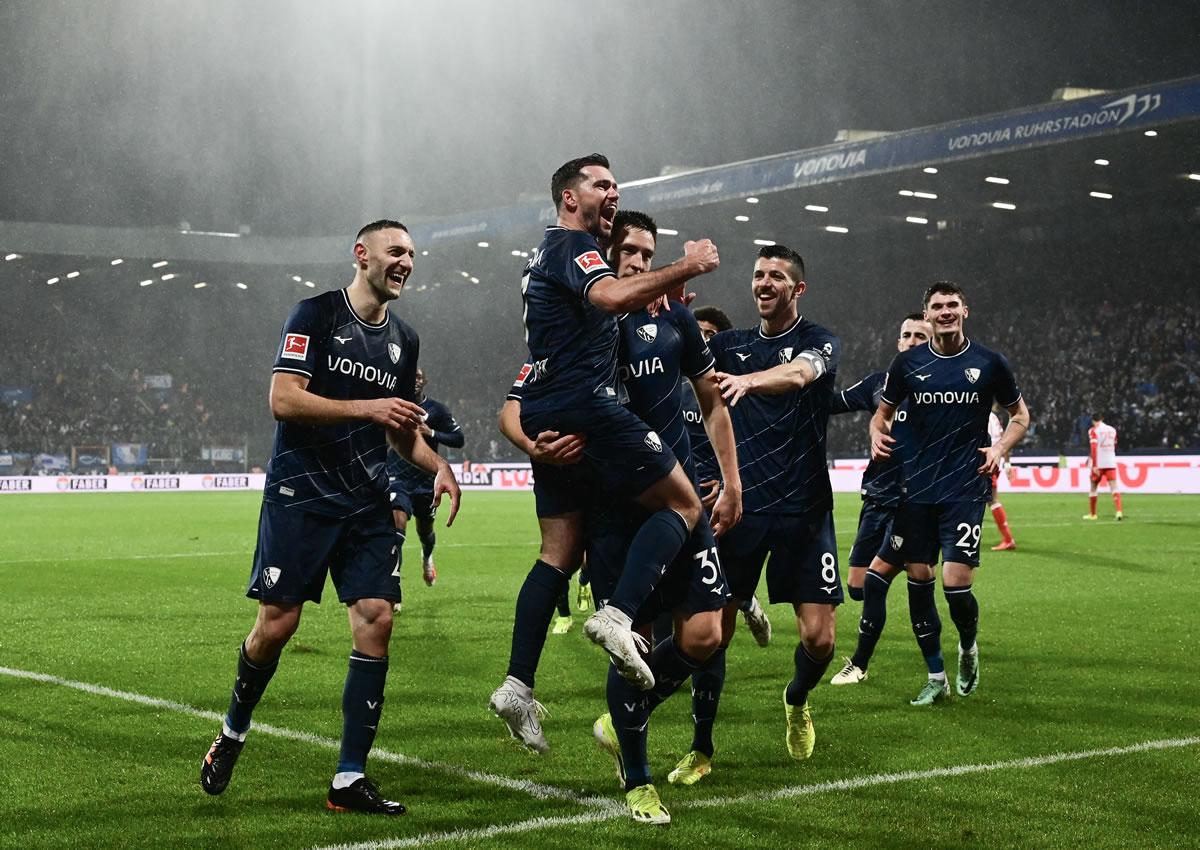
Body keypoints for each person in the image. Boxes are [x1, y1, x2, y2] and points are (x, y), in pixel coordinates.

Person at [198, 220, 462, 815]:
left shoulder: (405, 340)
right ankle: (234, 730)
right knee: (277, 627)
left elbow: (399, 431)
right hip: (302, 495)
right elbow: (283, 399)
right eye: (397, 252)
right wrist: (366, 406)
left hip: (368, 501)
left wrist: (436, 465)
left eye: (413, 255)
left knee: (376, 619)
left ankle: (348, 779)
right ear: (361, 254)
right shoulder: (314, 315)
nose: (407, 263)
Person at [492, 210, 741, 765]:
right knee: (600, 597)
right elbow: (514, 401)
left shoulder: (672, 318)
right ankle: (637, 776)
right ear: (603, 253)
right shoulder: (586, 316)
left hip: (661, 483)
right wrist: (532, 446)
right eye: (630, 251)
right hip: (614, 503)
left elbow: (712, 401)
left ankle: (539, 684)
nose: (639, 262)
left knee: (703, 635)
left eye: (649, 256)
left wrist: (731, 480)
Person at [706, 244, 842, 761]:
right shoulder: (732, 345)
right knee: (711, 636)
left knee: (820, 639)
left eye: (776, 277)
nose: (764, 283)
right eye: (759, 274)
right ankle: (702, 744)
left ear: (797, 289)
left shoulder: (819, 341)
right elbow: (689, 374)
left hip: (805, 511)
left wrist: (748, 382)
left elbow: (801, 374)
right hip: (742, 509)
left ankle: (797, 698)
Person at [869, 281, 1030, 705]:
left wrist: (999, 447)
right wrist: (875, 434)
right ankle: (935, 677)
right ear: (927, 315)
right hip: (916, 490)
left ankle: (968, 647)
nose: (945, 312)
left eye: (952, 305)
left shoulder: (989, 363)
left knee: (956, 584)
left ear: (965, 311)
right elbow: (881, 416)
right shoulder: (906, 365)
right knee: (919, 582)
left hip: (963, 486)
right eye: (937, 306)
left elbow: (1020, 415)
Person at [827, 312, 938, 688]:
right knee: (857, 586)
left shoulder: (941, 389)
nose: (910, 341)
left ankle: (861, 662)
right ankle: (912, 572)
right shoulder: (880, 384)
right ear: (897, 342)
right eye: (905, 334)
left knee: (878, 581)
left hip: (913, 502)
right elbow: (835, 401)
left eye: (919, 336)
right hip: (875, 498)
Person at [683, 305, 772, 649]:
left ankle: (744, 601)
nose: (704, 341)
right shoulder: (672, 387)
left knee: (722, 591)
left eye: (711, 335)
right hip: (680, 497)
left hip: (724, 503)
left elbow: (757, 445)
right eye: (698, 333)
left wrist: (727, 483)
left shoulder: (738, 390)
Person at [386, 366, 464, 610]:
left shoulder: (436, 410)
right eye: (412, 376)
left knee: (424, 532)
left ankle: (427, 556)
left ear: (425, 381)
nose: (416, 380)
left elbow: (458, 439)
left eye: (419, 376)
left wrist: (430, 431)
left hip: (426, 481)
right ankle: (393, 590)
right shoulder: (394, 406)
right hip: (396, 476)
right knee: (396, 527)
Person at [987, 407, 1017, 550]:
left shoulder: (982, 415)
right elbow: (1004, 440)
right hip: (994, 462)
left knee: (991, 499)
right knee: (987, 499)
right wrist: (1007, 464)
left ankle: (1008, 539)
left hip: (985, 462)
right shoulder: (993, 417)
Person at [1083, 413, 1123, 520]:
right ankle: (1119, 511)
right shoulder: (1112, 430)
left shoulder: (1093, 431)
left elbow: (1094, 447)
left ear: (1093, 421)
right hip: (1111, 462)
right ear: (1102, 418)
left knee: (1093, 487)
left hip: (1099, 463)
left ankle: (1093, 514)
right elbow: (1113, 445)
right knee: (1114, 487)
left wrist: (1094, 465)